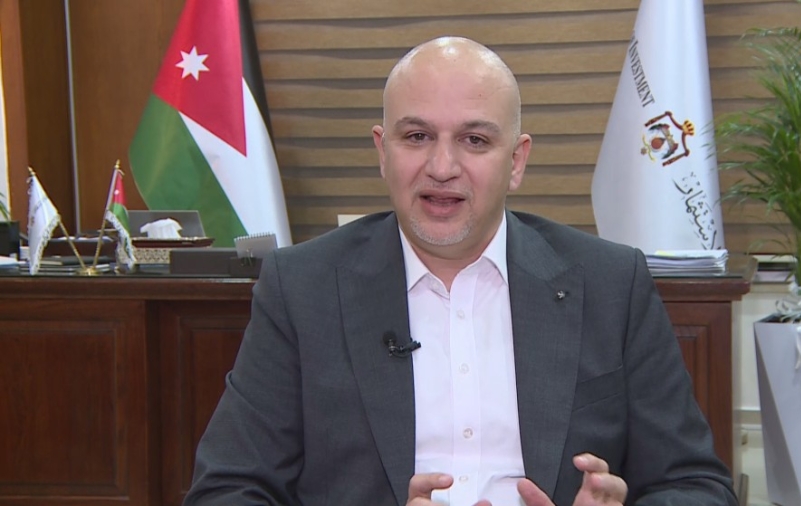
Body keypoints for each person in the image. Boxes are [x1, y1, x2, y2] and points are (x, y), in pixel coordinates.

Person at [184, 36, 738, 506]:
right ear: (382, 152)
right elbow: (226, 490)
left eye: (474, 140)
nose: (442, 167)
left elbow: (696, 486)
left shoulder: (611, 283)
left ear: (516, 161)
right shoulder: (302, 288)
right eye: (417, 136)